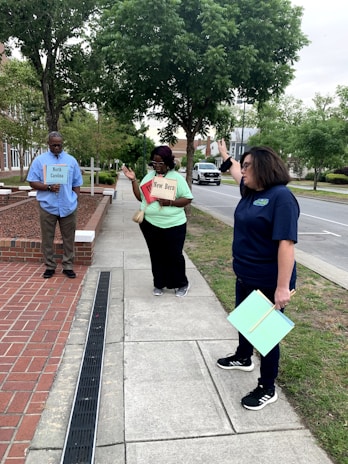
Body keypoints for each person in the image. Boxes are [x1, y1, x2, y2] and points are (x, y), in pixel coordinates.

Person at [216, 139, 299, 411]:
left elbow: (286, 244)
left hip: (270, 279)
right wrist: (226, 156)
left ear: (263, 168)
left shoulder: (281, 198)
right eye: (245, 166)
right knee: (245, 319)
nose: (244, 171)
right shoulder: (250, 191)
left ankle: (267, 386)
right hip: (246, 273)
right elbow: (236, 172)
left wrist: (282, 287)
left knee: (265, 335)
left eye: (249, 166)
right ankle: (243, 357)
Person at [122, 145, 193, 297]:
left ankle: (181, 283)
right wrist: (133, 180)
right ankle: (159, 283)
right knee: (156, 255)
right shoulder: (150, 177)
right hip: (150, 225)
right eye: (154, 163)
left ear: (168, 162)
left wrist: (170, 202)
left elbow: (187, 198)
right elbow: (140, 197)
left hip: (174, 225)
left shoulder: (177, 178)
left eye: (160, 163)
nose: (157, 166)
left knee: (174, 256)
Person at [27, 131, 83, 279]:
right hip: (47, 206)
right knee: (47, 238)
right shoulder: (40, 161)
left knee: (69, 238)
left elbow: (77, 183)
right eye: (54, 145)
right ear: (48, 144)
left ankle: (68, 265)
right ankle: (50, 266)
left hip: (68, 206)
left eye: (59, 145)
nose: (57, 148)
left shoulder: (71, 161)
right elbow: (32, 181)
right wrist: (48, 187)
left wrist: (75, 198)